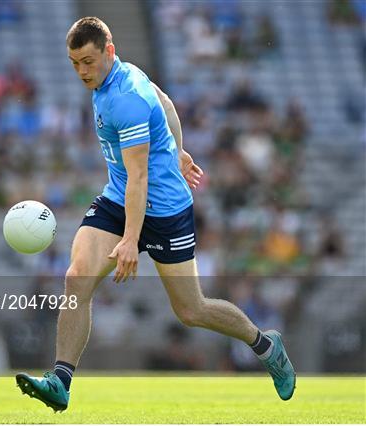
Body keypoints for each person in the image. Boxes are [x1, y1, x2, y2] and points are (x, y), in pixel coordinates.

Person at [15, 17, 296, 412]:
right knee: (77, 278)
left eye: (88, 62)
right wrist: (179, 150)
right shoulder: (120, 75)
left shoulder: (124, 98)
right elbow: (164, 101)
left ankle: (265, 345)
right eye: (75, 62)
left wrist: (130, 240)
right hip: (120, 197)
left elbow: (140, 177)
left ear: (109, 52)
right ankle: (61, 380)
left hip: (163, 209)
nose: (81, 71)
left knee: (191, 310)